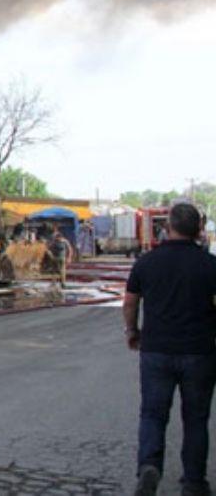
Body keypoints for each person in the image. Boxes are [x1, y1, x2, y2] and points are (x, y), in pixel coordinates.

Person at [124, 202, 216, 495]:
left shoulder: (147, 262)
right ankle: (194, 482)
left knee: (152, 414)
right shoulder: (210, 265)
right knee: (196, 419)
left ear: (168, 227)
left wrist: (132, 331)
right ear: (199, 229)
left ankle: (149, 466)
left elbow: (129, 301)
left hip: (156, 352)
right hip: (199, 353)